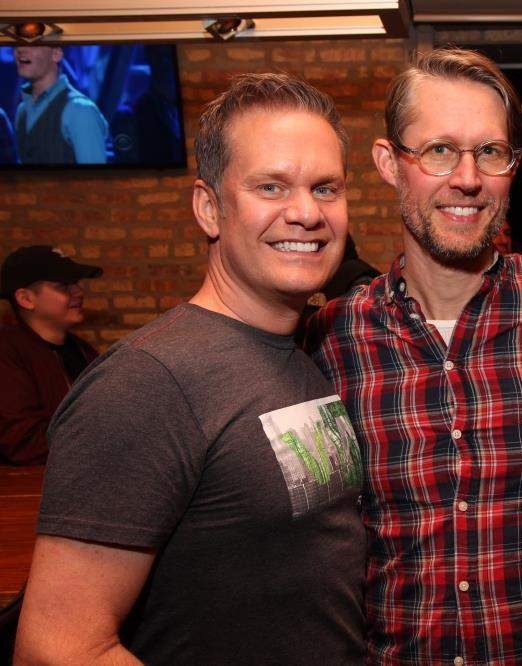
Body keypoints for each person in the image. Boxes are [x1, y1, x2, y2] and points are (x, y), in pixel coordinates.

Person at [15, 73, 365, 664]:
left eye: (325, 188)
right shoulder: (146, 383)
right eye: (271, 186)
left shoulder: (308, 347)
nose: (307, 212)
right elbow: (57, 648)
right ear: (209, 208)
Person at [308, 47, 522, 664]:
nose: (468, 178)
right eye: (439, 150)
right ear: (389, 163)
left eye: (491, 152)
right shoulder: (334, 338)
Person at [0, 245, 101, 465]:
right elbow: (23, 442)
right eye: (63, 285)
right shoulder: (7, 353)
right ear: (26, 298)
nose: (78, 292)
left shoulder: (83, 351)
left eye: (76, 283)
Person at [13, 45, 108, 164]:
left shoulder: (80, 111)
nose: (20, 50)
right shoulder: (22, 111)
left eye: (33, 44)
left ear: (56, 54)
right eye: (17, 44)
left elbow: (95, 175)